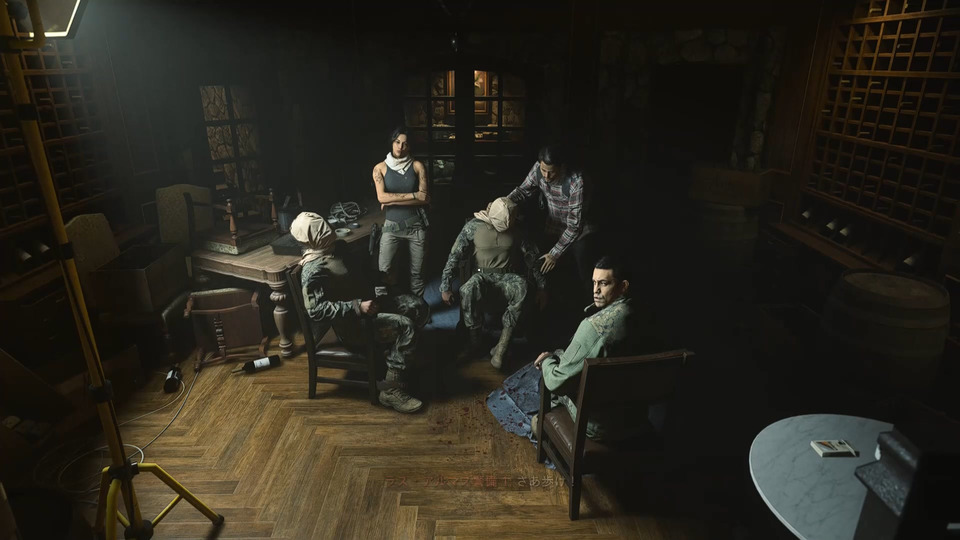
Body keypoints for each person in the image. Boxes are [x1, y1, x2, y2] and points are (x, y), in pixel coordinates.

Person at [291, 212, 427, 414]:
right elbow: (316, 311)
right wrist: (357, 306)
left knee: (417, 305)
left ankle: (395, 359)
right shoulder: (313, 268)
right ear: (310, 238)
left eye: (325, 225)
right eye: (320, 230)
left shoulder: (337, 248)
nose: (327, 230)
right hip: (352, 326)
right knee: (406, 327)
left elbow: (358, 274)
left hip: (369, 306)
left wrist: (380, 278)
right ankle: (390, 390)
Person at [531, 256, 652, 441]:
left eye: (604, 283)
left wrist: (548, 360)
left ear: (623, 286)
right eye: (594, 282)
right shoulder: (645, 314)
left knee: (551, 380)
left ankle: (542, 426)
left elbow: (557, 382)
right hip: (637, 419)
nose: (595, 290)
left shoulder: (594, 327)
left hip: (601, 426)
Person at [439, 197, 547, 369]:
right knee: (468, 289)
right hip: (482, 277)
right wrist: (445, 286)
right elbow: (455, 256)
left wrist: (542, 287)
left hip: (508, 277)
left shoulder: (518, 229)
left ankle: (501, 349)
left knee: (523, 287)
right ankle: (475, 342)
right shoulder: (473, 227)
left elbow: (532, 259)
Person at [506, 144, 599, 287]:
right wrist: (502, 203)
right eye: (543, 170)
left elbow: (574, 226)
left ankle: (591, 299)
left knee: (584, 274)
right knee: (546, 271)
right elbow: (522, 191)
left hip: (580, 232)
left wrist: (554, 254)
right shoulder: (538, 169)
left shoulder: (576, 181)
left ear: (562, 167)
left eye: (551, 172)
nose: (546, 176)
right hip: (553, 227)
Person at [373, 126, 430, 297]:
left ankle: (418, 308)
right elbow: (381, 197)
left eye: (405, 144)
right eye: (397, 142)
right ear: (392, 143)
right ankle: (387, 309)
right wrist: (413, 195)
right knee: (385, 273)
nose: (400, 147)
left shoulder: (418, 166)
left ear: (409, 146)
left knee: (417, 274)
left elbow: (424, 198)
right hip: (391, 228)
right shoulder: (379, 168)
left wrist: (391, 200)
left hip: (416, 227)